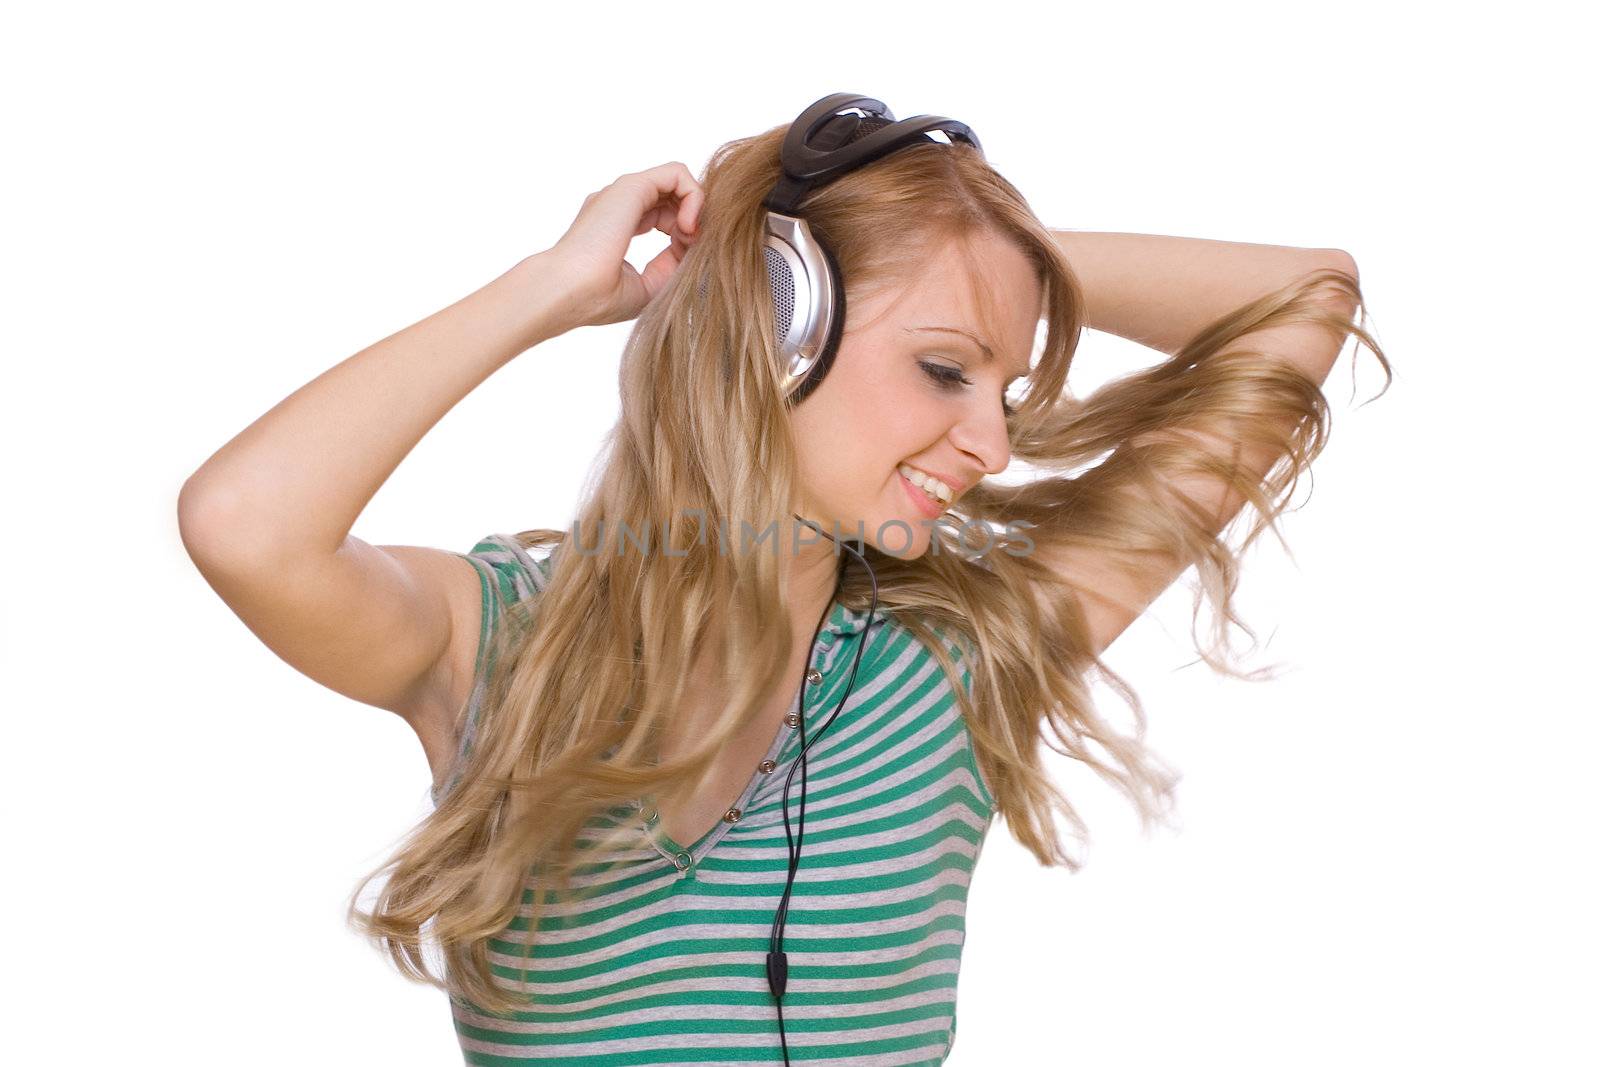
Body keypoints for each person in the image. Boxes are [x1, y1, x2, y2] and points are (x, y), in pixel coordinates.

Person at [178, 108, 1388, 1064]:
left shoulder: (957, 667)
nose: (993, 444)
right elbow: (243, 524)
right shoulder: (490, 640)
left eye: (1002, 389)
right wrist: (553, 287)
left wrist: (981, 261)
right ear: (777, 321)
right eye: (941, 368)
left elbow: (1307, 302)